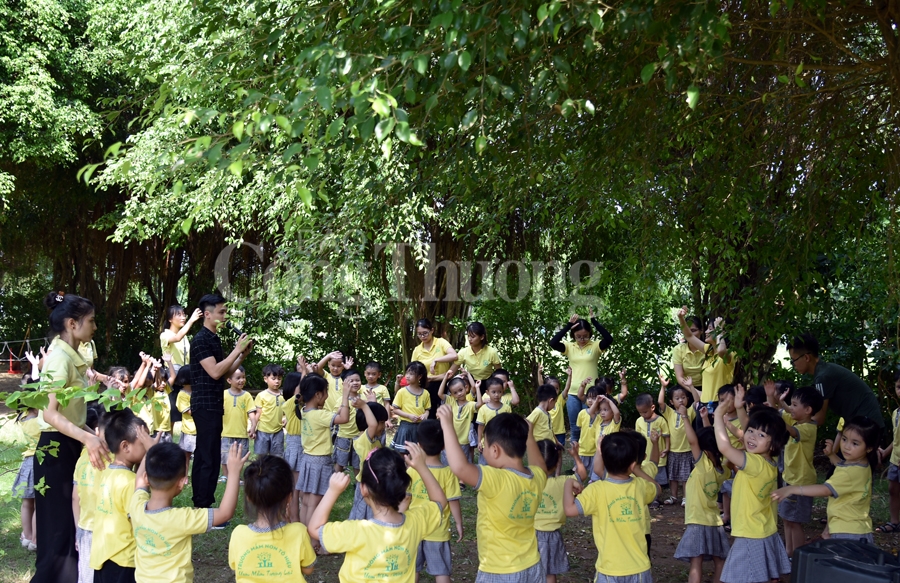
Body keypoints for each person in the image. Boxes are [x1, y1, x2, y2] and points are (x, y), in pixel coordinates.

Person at [32, 292, 108, 583]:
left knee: (66, 534)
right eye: (91, 321)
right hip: (53, 450)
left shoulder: (70, 356)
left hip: (66, 446)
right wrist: (88, 439)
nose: (95, 327)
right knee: (57, 535)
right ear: (72, 324)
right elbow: (50, 415)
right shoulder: (58, 359)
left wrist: (94, 436)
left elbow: (72, 417)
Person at [437, 408, 548, 583]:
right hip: (533, 566)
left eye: (485, 445)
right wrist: (530, 436)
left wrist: (447, 425)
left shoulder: (496, 479)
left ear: (495, 450)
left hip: (499, 571)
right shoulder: (537, 477)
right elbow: (540, 466)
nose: (484, 450)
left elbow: (460, 468)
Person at [307, 446, 446, 582]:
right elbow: (440, 503)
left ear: (364, 489)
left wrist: (333, 491)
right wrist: (421, 467)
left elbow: (314, 529)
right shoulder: (416, 523)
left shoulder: (356, 531)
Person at [132, 442, 246, 583]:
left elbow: (139, 482)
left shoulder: (136, 505)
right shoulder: (181, 519)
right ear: (182, 482)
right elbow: (225, 513)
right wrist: (234, 473)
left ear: (146, 477)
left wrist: (149, 451)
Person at [564, 432, 660, 583]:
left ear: (605, 462)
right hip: (640, 569)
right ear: (633, 464)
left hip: (609, 570)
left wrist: (569, 482)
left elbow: (569, 510)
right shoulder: (640, 486)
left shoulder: (596, 490)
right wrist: (636, 470)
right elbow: (657, 488)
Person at [714, 406, 791, 583]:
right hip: (763, 530)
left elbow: (724, 447)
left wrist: (718, 414)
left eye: (761, 435)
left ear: (773, 444)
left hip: (750, 534)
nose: (752, 437)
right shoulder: (770, 463)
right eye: (750, 431)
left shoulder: (755, 463)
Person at [189, 293, 252, 508]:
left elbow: (225, 372)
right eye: (221, 312)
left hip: (214, 404)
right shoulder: (200, 340)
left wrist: (241, 355)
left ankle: (204, 501)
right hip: (204, 404)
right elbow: (215, 372)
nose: (225, 316)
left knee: (211, 454)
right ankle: (202, 504)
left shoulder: (213, 339)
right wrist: (235, 349)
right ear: (208, 314)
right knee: (207, 455)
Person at [774, 416, 878, 545]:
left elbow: (825, 489)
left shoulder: (850, 472)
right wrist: (831, 455)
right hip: (855, 529)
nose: (846, 446)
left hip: (847, 533)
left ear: (869, 448)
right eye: (844, 439)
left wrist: (792, 488)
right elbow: (842, 466)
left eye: (855, 443)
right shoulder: (862, 464)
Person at [89, 409, 155, 583]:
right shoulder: (131, 483)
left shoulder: (105, 472)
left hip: (102, 556)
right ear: (125, 446)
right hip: (125, 560)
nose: (148, 445)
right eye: (144, 442)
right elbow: (139, 521)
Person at [229, 455, 317, 582]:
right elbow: (308, 569)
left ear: (249, 497)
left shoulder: (238, 534)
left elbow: (236, 568)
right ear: (289, 497)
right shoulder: (299, 531)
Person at [673, 406, 731, 583]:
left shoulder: (702, 464)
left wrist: (684, 417)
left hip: (697, 521)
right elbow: (713, 439)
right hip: (714, 521)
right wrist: (706, 419)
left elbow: (693, 441)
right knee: (720, 560)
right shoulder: (723, 469)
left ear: (703, 449)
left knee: (696, 562)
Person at [787, 332, 885, 429]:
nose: (793, 364)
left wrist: (791, 428)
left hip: (868, 427)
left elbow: (819, 418)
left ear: (806, 357)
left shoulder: (822, 377)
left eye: (793, 360)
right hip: (863, 424)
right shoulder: (824, 371)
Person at [769, 385, 822, 556]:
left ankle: (798, 556)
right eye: (790, 404)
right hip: (790, 478)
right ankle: (789, 551)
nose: (790, 408)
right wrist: (777, 400)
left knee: (795, 521)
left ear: (808, 410)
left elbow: (788, 429)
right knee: (786, 517)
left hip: (801, 483)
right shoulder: (798, 419)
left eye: (794, 405)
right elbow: (783, 412)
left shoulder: (808, 429)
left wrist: (779, 404)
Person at [406, 420, 462, 583]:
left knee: (412, 569)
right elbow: (453, 501)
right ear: (444, 446)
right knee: (442, 572)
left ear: (418, 445)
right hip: (438, 531)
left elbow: (406, 499)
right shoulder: (448, 473)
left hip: (415, 528)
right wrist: (458, 523)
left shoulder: (412, 470)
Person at [548, 309, 614, 443]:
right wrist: (568, 326)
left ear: (590, 334)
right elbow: (553, 343)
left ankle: (591, 456)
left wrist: (594, 321)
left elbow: (609, 339)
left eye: (585, 336)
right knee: (575, 427)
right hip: (572, 392)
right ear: (573, 336)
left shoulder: (595, 346)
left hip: (591, 393)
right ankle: (577, 459)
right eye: (578, 336)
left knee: (591, 424)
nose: (582, 339)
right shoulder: (569, 347)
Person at [295, 373, 350, 526]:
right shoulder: (320, 415)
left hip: (307, 460)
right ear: (318, 395)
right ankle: (314, 541)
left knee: (306, 502)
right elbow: (344, 419)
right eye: (326, 392)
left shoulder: (304, 410)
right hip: (320, 462)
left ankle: (305, 536)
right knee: (315, 504)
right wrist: (345, 396)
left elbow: (330, 418)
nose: (327, 395)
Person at [534, 440, 587, 583]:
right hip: (553, 535)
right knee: (550, 573)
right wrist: (576, 456)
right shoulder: (564, 482)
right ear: (557, 462)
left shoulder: (527, 481)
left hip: (530, 534)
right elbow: (582, 474)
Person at [678, 308, 736, 414]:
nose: (706, 331)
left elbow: (721, 350)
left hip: (718, 405)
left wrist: (719, 329)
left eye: (710, 329)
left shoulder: (730, 354)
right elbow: (689, 336)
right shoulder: (708, 351)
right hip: (703, 405)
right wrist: (681, 318)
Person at [73, 406, 106, 583]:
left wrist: (78, 529)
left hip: (85, 527)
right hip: (110, 529)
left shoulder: (82, 457)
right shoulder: (114, 458)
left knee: (86, 575)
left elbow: (74, 497)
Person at [658, 376, 696, 505]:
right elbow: (660, 403)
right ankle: (673, 497)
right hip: (673, 450)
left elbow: (698, 401)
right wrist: (663, 386)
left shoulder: (690, 412)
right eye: (677, 398)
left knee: (686, 477)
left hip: (687, 450)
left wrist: (691, 387)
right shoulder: (669, 413)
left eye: (683, 397)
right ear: (671, 402)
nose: (680, 400)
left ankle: (685, 497)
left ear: (687, 399)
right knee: (673, 477)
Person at [348, 399, 390, 520]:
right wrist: (364, 406)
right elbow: (373, 424)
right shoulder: (363, 440)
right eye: (381, 422)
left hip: (376, 484)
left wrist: (371, 403)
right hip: (366, 486)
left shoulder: (374, 439)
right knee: (363, 516)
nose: (383, 426)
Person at [411, 318, 458, 418]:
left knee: (445, 413)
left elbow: (454, 355)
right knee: (429, 414)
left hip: (444, 383)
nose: (422, 336)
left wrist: (436, 360)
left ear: (432, 330)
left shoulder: (441, 342)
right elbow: (413, 369)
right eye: (419, 334)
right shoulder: (417, 350)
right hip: (426, 385)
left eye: (425, 333)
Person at [220, 366, 257, 481]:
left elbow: (251, 413)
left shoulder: (246, 396)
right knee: (225, 456)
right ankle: (226, 476)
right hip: (226, 433)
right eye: (238, 378)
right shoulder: (223, 394)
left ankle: (236, 476)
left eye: (243, 377)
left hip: (241, 434)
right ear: (229, 380)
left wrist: (253, 426)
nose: (242, 380)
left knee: (240, 457)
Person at [635, 393, 671, 500]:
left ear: (653, 407)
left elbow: (666, 435)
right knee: (647, 475)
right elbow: (637, 438)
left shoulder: (660, 420)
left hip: (658, 454)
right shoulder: (639, 421)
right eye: (640, 412)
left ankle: (658, 496)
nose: (642, 414)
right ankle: (650, 496)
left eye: (645, 412)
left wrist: (667, 448)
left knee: (658, 475)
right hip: (645, 455)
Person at [877, 371, 900, 533]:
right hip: (895, 459)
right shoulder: (896, 413)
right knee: (893, 490)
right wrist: (885, 452)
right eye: (899, 387)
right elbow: (897, 438)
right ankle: (894, 521)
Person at [437, 373, 477, 467]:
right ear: (451, 394)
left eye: (461, 390)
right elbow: (439, 393)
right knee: (446, 459)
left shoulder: (470, 400)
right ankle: (447, 474)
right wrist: (445, 378)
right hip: (449, 437)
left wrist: (468, 374)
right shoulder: (451, 400)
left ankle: (463, 479)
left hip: (463, 439)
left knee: (464, 459)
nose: (459, 394)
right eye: (455, 392)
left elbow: (474, 387)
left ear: (466, 388)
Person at [391, 361, 431, 452]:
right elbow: (395, 410)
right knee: (403, 454)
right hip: (405, 426)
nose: (407, 376)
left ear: (419, 376)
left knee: (419, 452)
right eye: (407, 373)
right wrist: (409, 416)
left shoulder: (425, 393)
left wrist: (425, 415)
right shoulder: (402, 392)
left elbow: (427, 409)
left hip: (420, 427)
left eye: (411, 374)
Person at [281, 371, 303, 522]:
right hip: (295, 445)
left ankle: (295, 514)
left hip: (304, 445)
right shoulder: (289, 404)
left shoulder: (304, 406)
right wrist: (304, 371)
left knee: (299, 486)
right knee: (295, 487)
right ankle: (291, 516)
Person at [333, 369, 365, 473]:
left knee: (358, 463)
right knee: (340, 462)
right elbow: (335, 416)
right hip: (344, 436)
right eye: (351, 381)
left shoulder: (363, 398)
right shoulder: (341, 399)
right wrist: (345, 399)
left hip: (359, 436)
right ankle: (335, 482)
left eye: (358, 380)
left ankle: (357, 485)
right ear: (344, 384)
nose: (355, 383)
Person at [475, 377, 512, 465]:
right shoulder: (483, 409)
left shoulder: (506, 408)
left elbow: (509, 425)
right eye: (493, 392)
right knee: (484, 467)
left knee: (500, 466)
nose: (496, 395)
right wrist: (479, 441)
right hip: (487, 443)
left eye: (499, 392)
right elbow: (481, 426)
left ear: (502, 392)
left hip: (503, 442)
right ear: (487, 392)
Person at [253, 364, 286, 457]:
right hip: (262, 431)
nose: (277, 381)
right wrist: (253, 428)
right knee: (261, 457)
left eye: (279, 379)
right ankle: (260, 472)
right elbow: (258, 413)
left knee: (277, 457)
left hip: (278, 432)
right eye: (273, 378)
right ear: (265, 379)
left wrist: (286, 418)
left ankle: (274, 472)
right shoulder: (261, 395)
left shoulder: (283, 395)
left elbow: (287, 411)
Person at [159, 305, 201, 374]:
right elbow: (177, 338)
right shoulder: (164, 335)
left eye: (184, 315)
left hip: (185, 375)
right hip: (172, 374)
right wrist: (191, 320)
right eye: (179, 315)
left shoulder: (184, 337)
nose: (183, 318)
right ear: (170, 319)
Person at [673, 313, 706, 396]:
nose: (690, 334)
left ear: (701, 331)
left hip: (706, 387)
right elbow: (679, 377)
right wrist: (696, 392)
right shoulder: (679, 349)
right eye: (688, 331)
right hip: (686, 388)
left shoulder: (708, 349)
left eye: (694, 330)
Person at [176, 376, 196, 477]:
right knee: (186, 455)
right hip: (189, 430)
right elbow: (189, 411)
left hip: (199, 429)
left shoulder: (197, 391)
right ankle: (184, 476)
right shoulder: (182, 394)